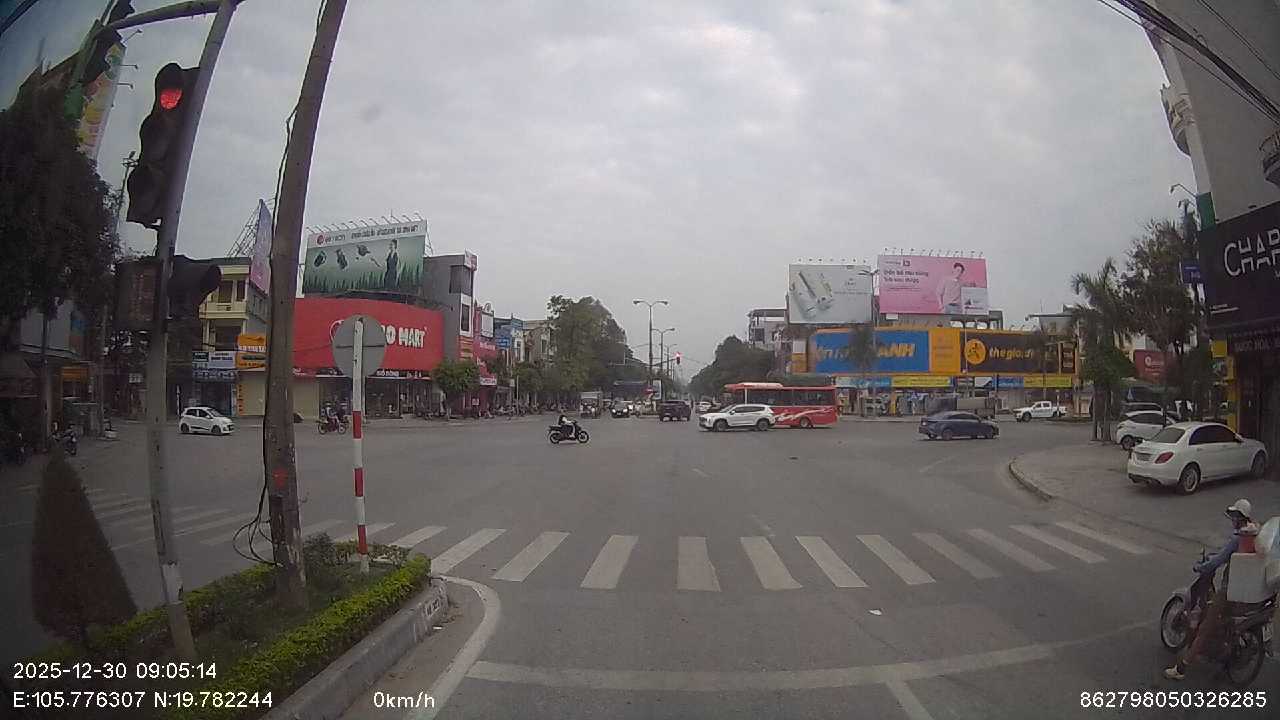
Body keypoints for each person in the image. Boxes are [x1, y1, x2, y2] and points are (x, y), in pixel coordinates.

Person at [1164, 499, 1258, 680]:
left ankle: (1181, 668)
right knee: (1225, 620)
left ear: (1238, 518)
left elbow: (1219, 560)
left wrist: (1201, 567)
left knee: (1204, 629)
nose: (1232, 520)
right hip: (1248, 590)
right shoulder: (1254, 534)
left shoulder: (1238, 538)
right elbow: (1223, 554)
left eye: (1234, 517)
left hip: (1231, 590)